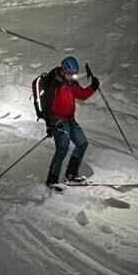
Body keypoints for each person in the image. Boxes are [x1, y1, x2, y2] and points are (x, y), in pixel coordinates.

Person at [44, 56, 99, 186]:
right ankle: (52, 180)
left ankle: (71, 174)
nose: (73, 77)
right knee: (62, 149)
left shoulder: (71, 83)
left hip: (71, 120)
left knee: (82, 143)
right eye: (71, 74)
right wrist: (51, 124)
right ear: (64, 70)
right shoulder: (55, 84)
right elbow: (47, 106)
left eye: (74, 74)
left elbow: (82, 95)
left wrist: (93, 87)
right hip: (59, 121)